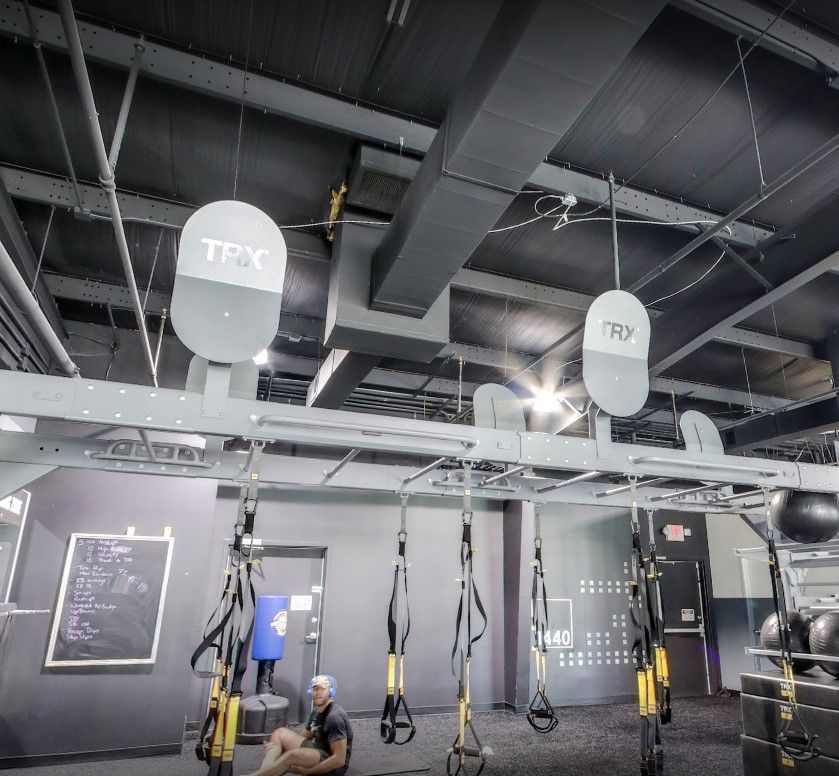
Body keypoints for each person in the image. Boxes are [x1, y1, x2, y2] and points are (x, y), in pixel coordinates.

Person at [245, 674, 353, 776]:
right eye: (315, 688)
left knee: (291, 756)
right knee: (279, 733)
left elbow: (339, 760)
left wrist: (308, 771)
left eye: (323, 689)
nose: (318, 692)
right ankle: (267, 768)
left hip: (333, 766)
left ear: (331, 692)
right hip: (318, 749)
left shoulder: (334, 717)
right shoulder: (316, 711)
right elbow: (304, 737)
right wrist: (278, 748)